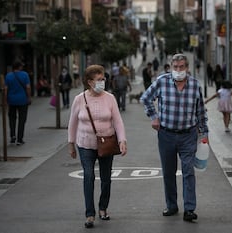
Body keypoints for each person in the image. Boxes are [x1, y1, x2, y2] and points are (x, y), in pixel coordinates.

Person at [140, 53, 208, 222]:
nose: (178, 70)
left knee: (188, 172)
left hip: (188, 135)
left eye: (182, 67)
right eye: (175, 67)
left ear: (187, 68)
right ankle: (171, 206)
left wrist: (204, 133)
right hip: (166, 135)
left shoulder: (194, 85)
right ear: (171, 67)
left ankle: (189, 209)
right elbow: (146, 98)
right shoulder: (162, 81)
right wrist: (153, 117)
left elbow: (200, 111)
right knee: (169, 173)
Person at [67, 64, 127, 228]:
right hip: (85, 144)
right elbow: (73, 122)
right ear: (89, 82)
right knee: (89, 176)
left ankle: (103, 208)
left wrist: (122, 140)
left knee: (106, 179)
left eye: (104, 79)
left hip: (106, 143)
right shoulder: (80, 99)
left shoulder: (110, 98)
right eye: (99, 79)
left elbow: (118, 121)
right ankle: (90, 214)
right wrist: (71, 144)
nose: (103, 82)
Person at [4, 60, 32, 145]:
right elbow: (27, 87)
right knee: (22, 119)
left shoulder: (8, 76)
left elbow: (5, 89)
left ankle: (12, 136)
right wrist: (29, 97)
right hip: (22, 100)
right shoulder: (25, 75)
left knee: (12, 118)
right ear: (19, 67)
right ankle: (20, 139)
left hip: (11, 100)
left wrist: (5, 99)